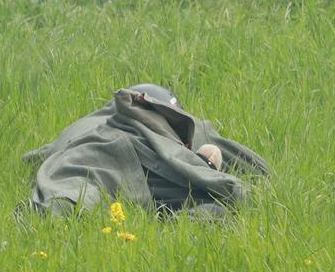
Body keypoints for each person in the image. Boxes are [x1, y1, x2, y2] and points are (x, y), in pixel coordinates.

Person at [25, 83, 269, 220]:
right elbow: (252, 167)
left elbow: (37, 157)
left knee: (72, 197)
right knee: (220, 205)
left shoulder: (81, 126)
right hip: (117, 160)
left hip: (87, 165)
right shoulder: (164, 127)